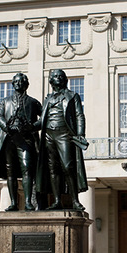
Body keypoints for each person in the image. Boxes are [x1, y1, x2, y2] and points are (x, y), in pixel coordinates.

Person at [35, 69, 88, 210]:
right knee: (53, 169)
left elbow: (79, 115)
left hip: (64, 134)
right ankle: (57, 200)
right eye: (54, 76)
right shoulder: (48, 99)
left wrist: (80, 133)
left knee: (68, 166)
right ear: (51, 81)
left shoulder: (72, 96)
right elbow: (41, 121)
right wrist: (27, 127)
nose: (57, 78)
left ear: (65, 80)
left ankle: (75, 200)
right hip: (48, 135)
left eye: (60, 76)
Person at [0, 73, 42, 211]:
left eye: (22, 81)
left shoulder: (33, 102)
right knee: (10, 171)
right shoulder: (5, 101)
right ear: (13, 84)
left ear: (26, 84)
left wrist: (32, 127)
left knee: (27, 168)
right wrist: (7, 126)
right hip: (9, 138)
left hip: (25, 139)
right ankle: (13, 203)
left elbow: (43, 119)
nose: (18, 83)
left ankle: (28, 202)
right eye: (16, 81)